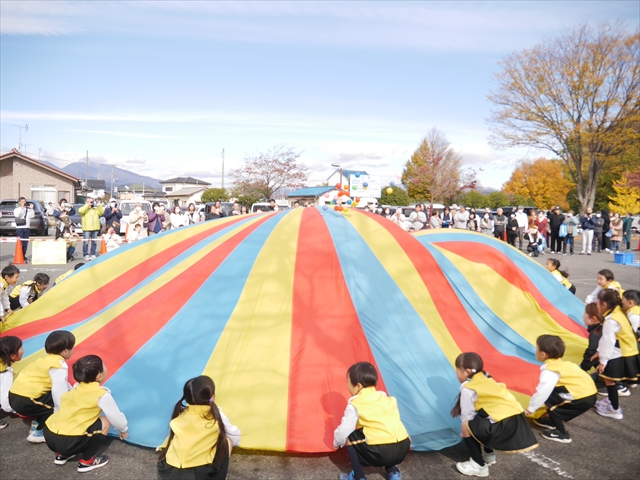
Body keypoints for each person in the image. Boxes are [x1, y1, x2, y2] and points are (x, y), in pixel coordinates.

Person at [451, 352, 537, 477]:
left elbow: (467, 416)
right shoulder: (488, 379)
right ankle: (489, 455)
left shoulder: (468, 388)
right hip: (517, 423)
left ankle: (478, 465)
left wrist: (467, 433)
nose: (456, 373)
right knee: (482, 419)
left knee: (466, 426)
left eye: (457, 370)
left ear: (467, 371)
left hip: (504, 427)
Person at [43, 355, 128, 472]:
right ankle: (87, 461)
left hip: (49, 435)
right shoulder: (101, 394)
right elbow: (115, 417)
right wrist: (123, 430)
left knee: (68, 425)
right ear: (99, 376)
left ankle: (62, 455)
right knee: (106, 421)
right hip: (70, 441)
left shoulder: (73, 391)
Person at [334, 362, 409, 480]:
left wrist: (336, 443)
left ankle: (358, 476)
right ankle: (393, 472)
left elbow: (345, 430)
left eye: (347, 382)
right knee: (387, 432)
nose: (347, 385)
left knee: (350, 438)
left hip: (381, 452)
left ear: (358, 386)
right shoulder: (386, 398)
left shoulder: (355, 404)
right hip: (403, 447)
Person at [157, 375, 240, 480]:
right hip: (198, 475)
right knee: (227, 441)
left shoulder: (181, 414)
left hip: (169, 471)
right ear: (213, 397)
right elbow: (236, 437)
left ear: (187, 399)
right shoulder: (217, 416)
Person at [525, 335, 596, 443]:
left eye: (537, 348)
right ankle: (551, 421)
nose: (536, 351)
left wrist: (531, 408)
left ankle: (562, 433)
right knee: (553, 396)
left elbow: (543, 392)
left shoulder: (550, 370)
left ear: (543, 354)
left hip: (582, 397)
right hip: (589, 393)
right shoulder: (563, 364)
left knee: (551, 402)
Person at [8, 331, 75, 443]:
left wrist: (73, 391)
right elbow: (59, 393)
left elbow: (63, 383)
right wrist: (60, 412)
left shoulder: (45, 360)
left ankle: (37, 423)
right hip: (25, 400)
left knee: (49, 401)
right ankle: (38, 432)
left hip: (14, 395)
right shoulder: (58, 366)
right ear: (65, 351)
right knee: (57, 405)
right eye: (72, 347)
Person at [594, 289, 640, 419]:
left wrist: (603, 361)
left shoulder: (611, 320)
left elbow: (609, 341)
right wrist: (599, 351)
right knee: (610, 380)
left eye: (597, 302)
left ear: (604, 305)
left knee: (609, 380)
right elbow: (606, 339)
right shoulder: (617, 311)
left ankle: (614, 409)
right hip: (626, 350)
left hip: (620, 353)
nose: (596, 304)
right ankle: (611, 402)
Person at [0, 336, 23, 429]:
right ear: (12, 356)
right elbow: (5, 402)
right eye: (20, 348)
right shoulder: (5, 374)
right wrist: (16, 410)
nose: (23, 350)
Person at [580, 303, 604, 375]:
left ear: (593, 319)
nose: (582, 316)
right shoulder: (602, 327)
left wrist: (582, 368)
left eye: (585, 314)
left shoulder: (596, 333)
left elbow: (591, 353)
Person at [13, 197, 35, 263]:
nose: (24, 203)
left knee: (25, 243)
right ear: (19, 202)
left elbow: (32, 216)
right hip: (19, 228)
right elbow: (17, 215)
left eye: (24, 201)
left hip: (27, 227)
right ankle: (19, 255)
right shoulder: (16, 209)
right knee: (20, 242)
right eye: (22, 201)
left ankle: (23, 255)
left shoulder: (27, 209)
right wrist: (21, 208)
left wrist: (31, 209)